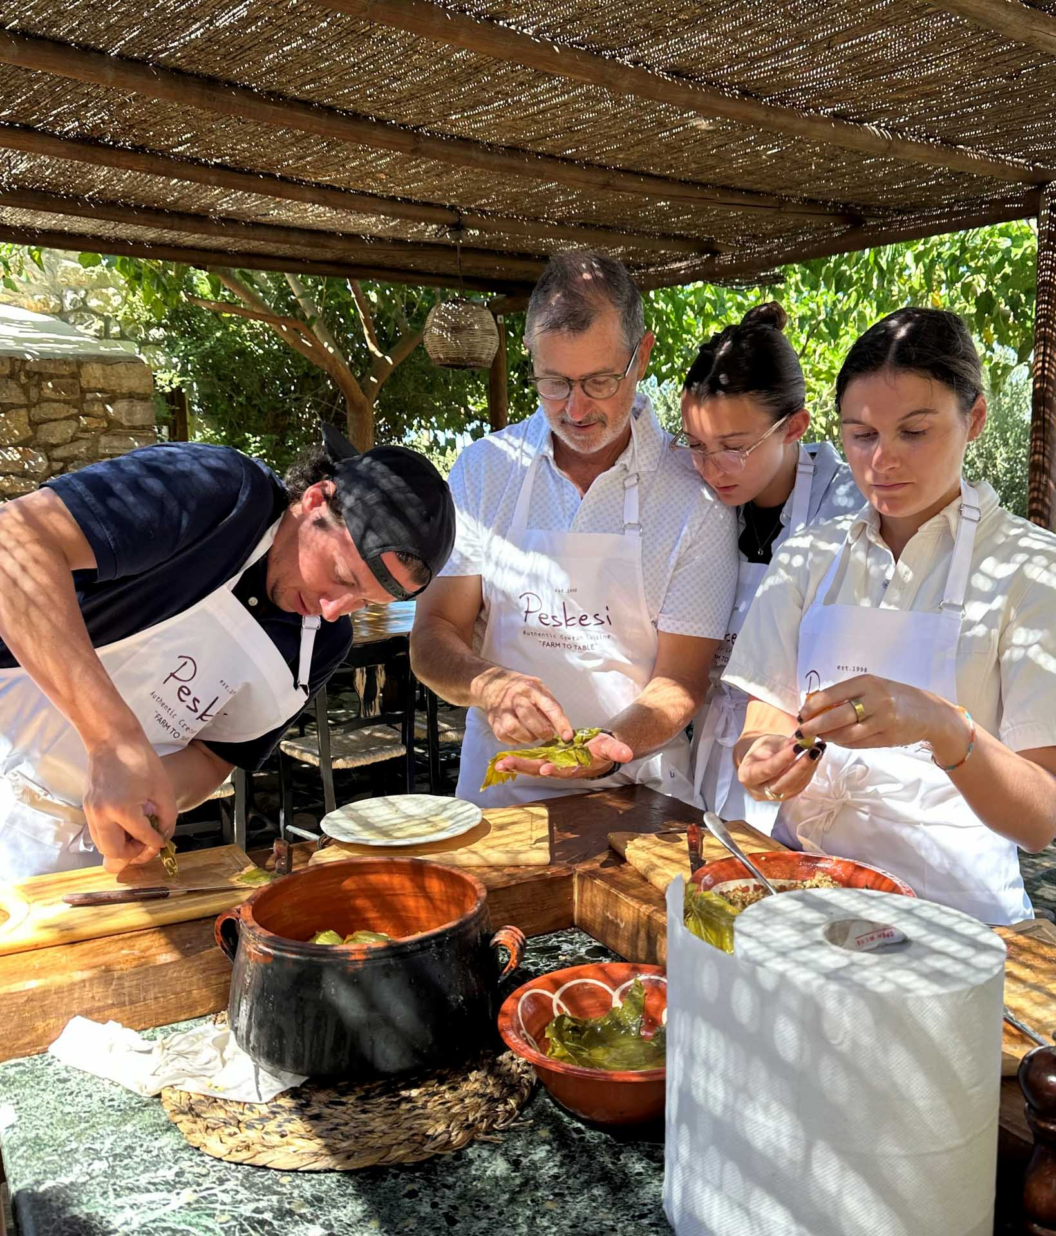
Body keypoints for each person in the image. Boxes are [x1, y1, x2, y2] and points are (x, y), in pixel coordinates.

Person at [0, 423, 455, 879]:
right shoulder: (219, 493)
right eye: (342, 575)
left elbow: (213, 756)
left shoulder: (323, 645)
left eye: (366, 602)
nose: (336, 610)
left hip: (78, 843)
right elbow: (14, 541)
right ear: (316, 498)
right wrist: (114, 739)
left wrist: (149, 802)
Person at [723, 307, 1056, 924]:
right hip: (807, 897)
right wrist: (766, 762)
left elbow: (1039, 819)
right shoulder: (808, 557)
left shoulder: (1031, 571)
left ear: (975, 418)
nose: (881, 461)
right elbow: (763, 721)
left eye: (914, 431)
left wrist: (940, 723)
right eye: (862, 434)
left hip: (958, 918)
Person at [411, 250, 738, 807]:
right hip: (499, 792)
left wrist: (604, 748)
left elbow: (682, 678)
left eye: (600, 381)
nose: (576, 408)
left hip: (637, 795)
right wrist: (491, 686)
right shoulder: (487, 468)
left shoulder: (694, 493)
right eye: (554, 382)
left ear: (641, 357)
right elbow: (434, 633)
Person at [678, 302, 860, 828]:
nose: (712, 469)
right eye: (696, 446)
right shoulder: (696, 501)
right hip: (719, 747)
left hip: (818, 762)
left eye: (734, 447)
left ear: (794, 426)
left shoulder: (847, 507)